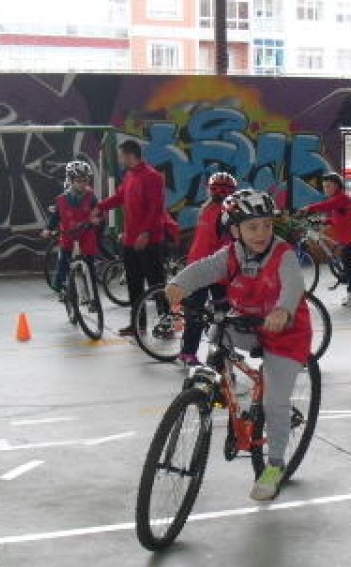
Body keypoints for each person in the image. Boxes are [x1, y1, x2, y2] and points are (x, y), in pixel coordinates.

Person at [164, 189, 311, 502]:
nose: (261, 233)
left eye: (267, 226)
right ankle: (223, 390)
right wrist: (179, 284)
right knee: (218, 335)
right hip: (247, 324)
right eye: (252, 227)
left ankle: (274, 467)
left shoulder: (282, 254)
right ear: (235, 231)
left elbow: (294, 283)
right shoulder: (231, 254)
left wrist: (284, 309)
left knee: (275, 402)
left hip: (286, 333)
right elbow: (204, 269)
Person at [98, 140, 168, 337]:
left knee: (156, 284)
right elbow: (119, 198)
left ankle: (167, 322)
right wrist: (100, 207)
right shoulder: (130, 176)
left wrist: (145, 233)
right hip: (130, 241)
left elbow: (156, 208)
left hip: (149, 241)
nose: (119, 159)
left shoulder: (152, 177)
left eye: (121, 156)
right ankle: (138, 323)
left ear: (130, 155)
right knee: (134, 283)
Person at [176, 172, 238, 366]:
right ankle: (199, 354)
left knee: (203, 310)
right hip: (210, 268)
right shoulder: (223, 213)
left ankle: (198, 351)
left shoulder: (206, 208)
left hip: (199, 264)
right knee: (217, 313)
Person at [301, 172, 351, 306]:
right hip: (347, 235)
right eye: (324, 187)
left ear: (337, 186)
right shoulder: (337, 200)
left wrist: (308, 209)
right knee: (347, 261)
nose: (326, 189)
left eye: (329, 186)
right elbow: (338, 217)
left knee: (347, 261)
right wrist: (325, 221)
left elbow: (326, 205)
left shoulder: (341, 198)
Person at [41, 161, 101, 296]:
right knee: (63, 261)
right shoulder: (61, 199)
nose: (83, 184)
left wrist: (97, 219)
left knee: (90, 263)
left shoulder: (91, 198)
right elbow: (55, 217)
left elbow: (98, 211)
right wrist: (48, 229)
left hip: (86, 235)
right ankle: (59, 286)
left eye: (85, 180)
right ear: (71, 181)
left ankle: (93, 292)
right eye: (79, 181)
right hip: (68, 235)